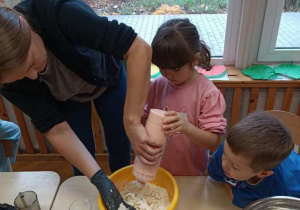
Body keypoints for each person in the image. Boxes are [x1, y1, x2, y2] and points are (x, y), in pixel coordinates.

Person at [0, 0, 163, 209]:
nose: (34, 76)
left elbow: (139, 49)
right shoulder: (7, 79)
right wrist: (99, 179)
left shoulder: (60, 11)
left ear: (26, 26)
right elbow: (55, 128)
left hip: (107, 79)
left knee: (120, 141)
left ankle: (124, 187)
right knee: (82, 160)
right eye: (22, 75)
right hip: (68, 97)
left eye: (31, 62)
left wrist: (132, 121)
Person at [144, 18, 227, 175]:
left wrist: (186, 127)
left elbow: (212, 142)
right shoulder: (158, 84)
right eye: (162, 67)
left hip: (191, 173)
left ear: (194, 59)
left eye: (175, 69)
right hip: (156, 170)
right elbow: (145, 119)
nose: (168, 74)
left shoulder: (208, 94)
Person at [208, 111, 300, 208]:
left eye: (235, 166)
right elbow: (219, 177)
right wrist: (230, 190)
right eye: (224, 154)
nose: (224, 164)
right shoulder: (230, 151)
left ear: (263, 173)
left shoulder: (287, 189)